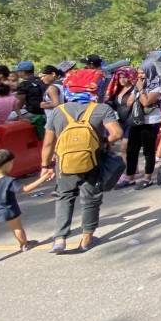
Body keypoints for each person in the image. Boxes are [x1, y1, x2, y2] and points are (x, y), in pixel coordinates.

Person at [40, 78, 123, 253]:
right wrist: (103, 143)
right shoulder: (101, 109)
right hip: (92, 160)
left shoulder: (58, 111)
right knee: (91, 198)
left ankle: (60, 239)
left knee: (64, 197)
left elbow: (48, 144)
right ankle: (87, 239)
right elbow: (117, 133)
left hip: (64, 163)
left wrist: (45, 165)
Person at [0, 148, 54, 270]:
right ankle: (24, 244)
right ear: (6, 165)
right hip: (8, 209)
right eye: (11, 163)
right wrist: (42, 179)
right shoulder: (8, 181)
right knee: (17, 229)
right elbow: (26, 189)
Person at [119, 68, 161, 189]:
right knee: (131, 150)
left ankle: (147, 178)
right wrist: (137, 90)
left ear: (150, 73)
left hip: (150, 122)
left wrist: (141, 90)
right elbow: (128, 102)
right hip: (136, 121)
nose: (140, 75)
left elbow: (146, 103)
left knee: (148, 151)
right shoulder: (136, 86)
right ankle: (130, 177)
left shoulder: (157, 86)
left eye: (143, 73)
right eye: (138, 73)